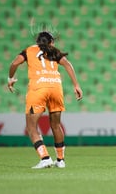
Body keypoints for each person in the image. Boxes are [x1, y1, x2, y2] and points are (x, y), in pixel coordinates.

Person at [7, 31, 83, 169]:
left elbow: (14, 63)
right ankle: (60, 160)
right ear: (51, 42)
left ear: (38, 42)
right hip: (55, 87)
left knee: (31, 127)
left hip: (39, 88)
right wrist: (76, 85)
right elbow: (67, 64)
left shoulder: (28, 50)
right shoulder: (53, 51)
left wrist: (10, 78)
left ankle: (45, 158)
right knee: (56, 125)